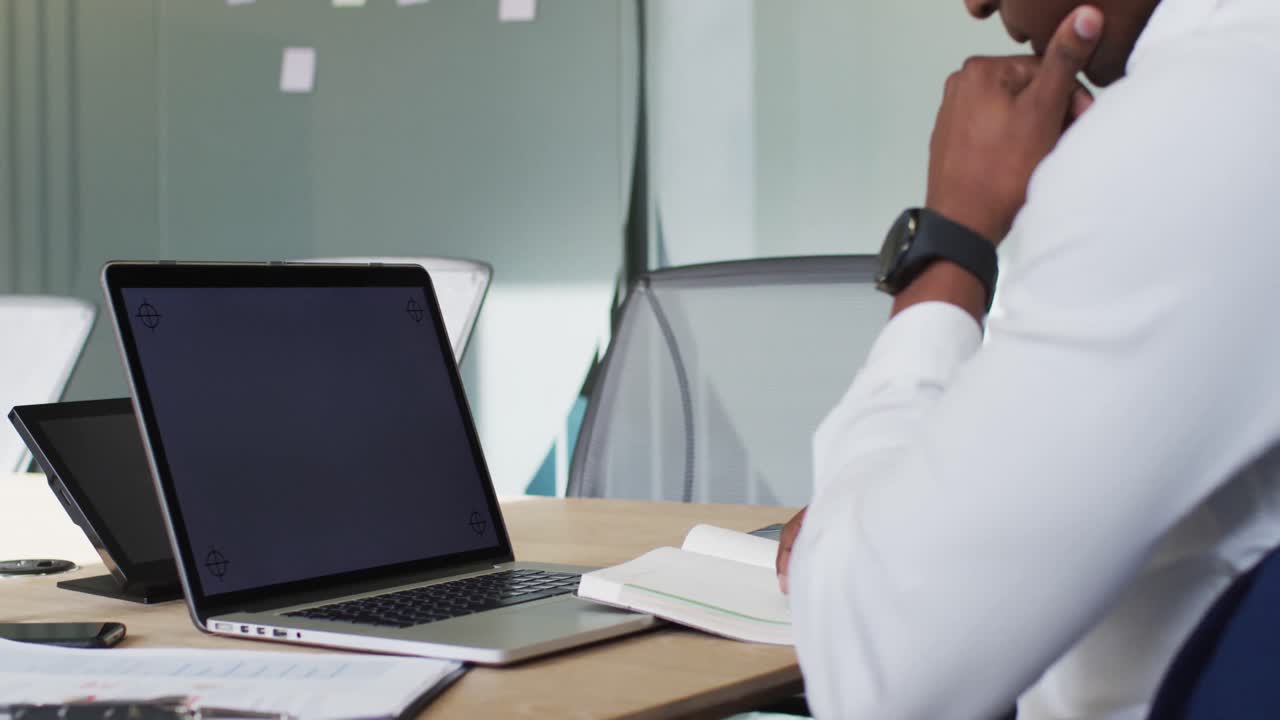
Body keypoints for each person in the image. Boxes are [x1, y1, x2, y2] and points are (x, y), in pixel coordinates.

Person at [774, 0, 1280, 717]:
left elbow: (881, 679)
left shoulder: (1204, 122)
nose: (977, 3)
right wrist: (889, 505)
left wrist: (950, 244)